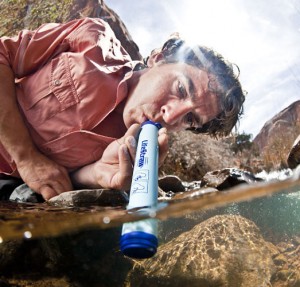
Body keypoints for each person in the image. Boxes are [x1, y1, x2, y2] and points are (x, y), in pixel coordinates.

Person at [0, 17, 245, 201]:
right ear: (159, 58)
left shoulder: (134, 151)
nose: (170, 116)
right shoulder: (92, 38)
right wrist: (26, 157)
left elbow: (64, 179)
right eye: (181, 88)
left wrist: (97, 175)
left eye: (190, 119)